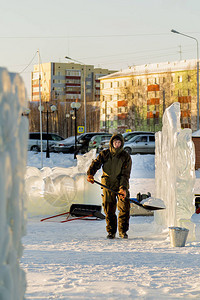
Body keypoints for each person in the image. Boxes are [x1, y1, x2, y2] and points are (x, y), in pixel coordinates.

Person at [87, 133, 132, 239]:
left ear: (122, 144)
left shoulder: (125, 156)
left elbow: (125, 174)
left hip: (121, 184)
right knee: (109, 208)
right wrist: (90, 174)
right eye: (115, 142)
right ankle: (111, 232)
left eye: (119, 142)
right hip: (107, 184)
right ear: (112, 143)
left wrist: (123, 188)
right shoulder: (105, 154)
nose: (117, 144)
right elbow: (95, 164)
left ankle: (123, 231)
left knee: (124, 208)